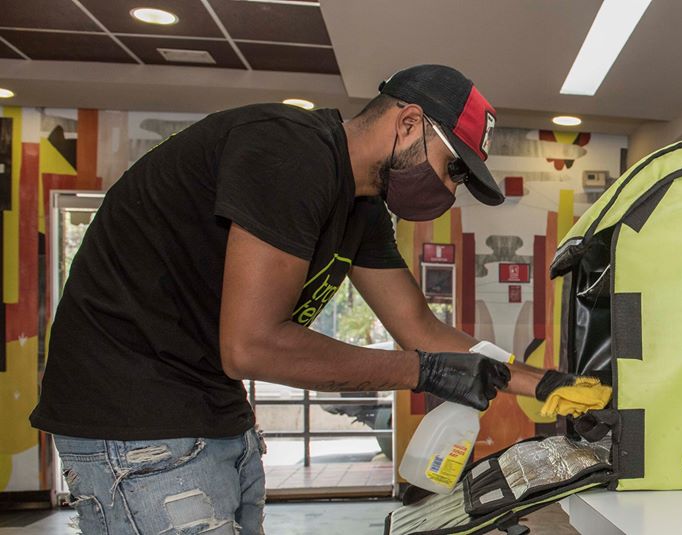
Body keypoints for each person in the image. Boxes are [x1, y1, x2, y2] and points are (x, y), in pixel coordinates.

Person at [29, 65, 607, 534]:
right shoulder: (287, 151)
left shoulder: (359, 206)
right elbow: (252, 345)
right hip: (135, 418)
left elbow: (420, 329)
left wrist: (544, 384)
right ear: (408, 123)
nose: (452, 189)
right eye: (455, 168)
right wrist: (424, 372)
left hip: (209, 410)